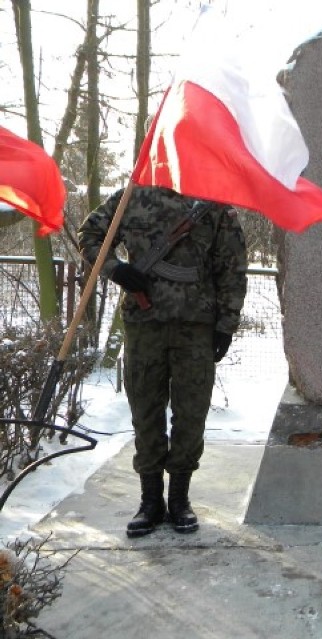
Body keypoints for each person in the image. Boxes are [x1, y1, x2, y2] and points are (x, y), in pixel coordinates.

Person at [78, 186, 247, 537]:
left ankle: (179, 499)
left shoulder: (213, 205)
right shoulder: (130, 198)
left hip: (196, 327)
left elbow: (232, 266)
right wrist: (116, 269)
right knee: (145, 409)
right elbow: (90, 234)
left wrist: (226, 324)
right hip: (144, 323)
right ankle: (150, 500)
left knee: (192, 412)